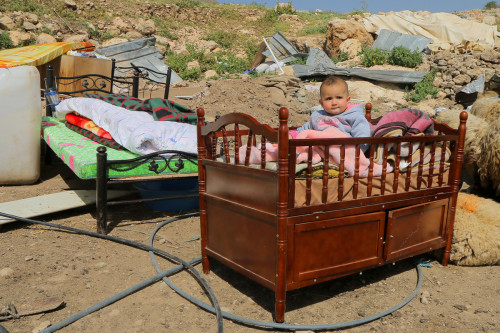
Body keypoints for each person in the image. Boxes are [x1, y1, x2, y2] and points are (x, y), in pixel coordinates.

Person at [290, 76, 370, 152]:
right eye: (329, 99)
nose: (334, 103)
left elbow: (362, 137)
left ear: (347, 100)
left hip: (344, 151)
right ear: (321, 103)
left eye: (339, 97)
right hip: (321, 150)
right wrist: (292, 135)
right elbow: (304, 130)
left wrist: (358, 151)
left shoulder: (354, 116)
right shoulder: (318, 116)